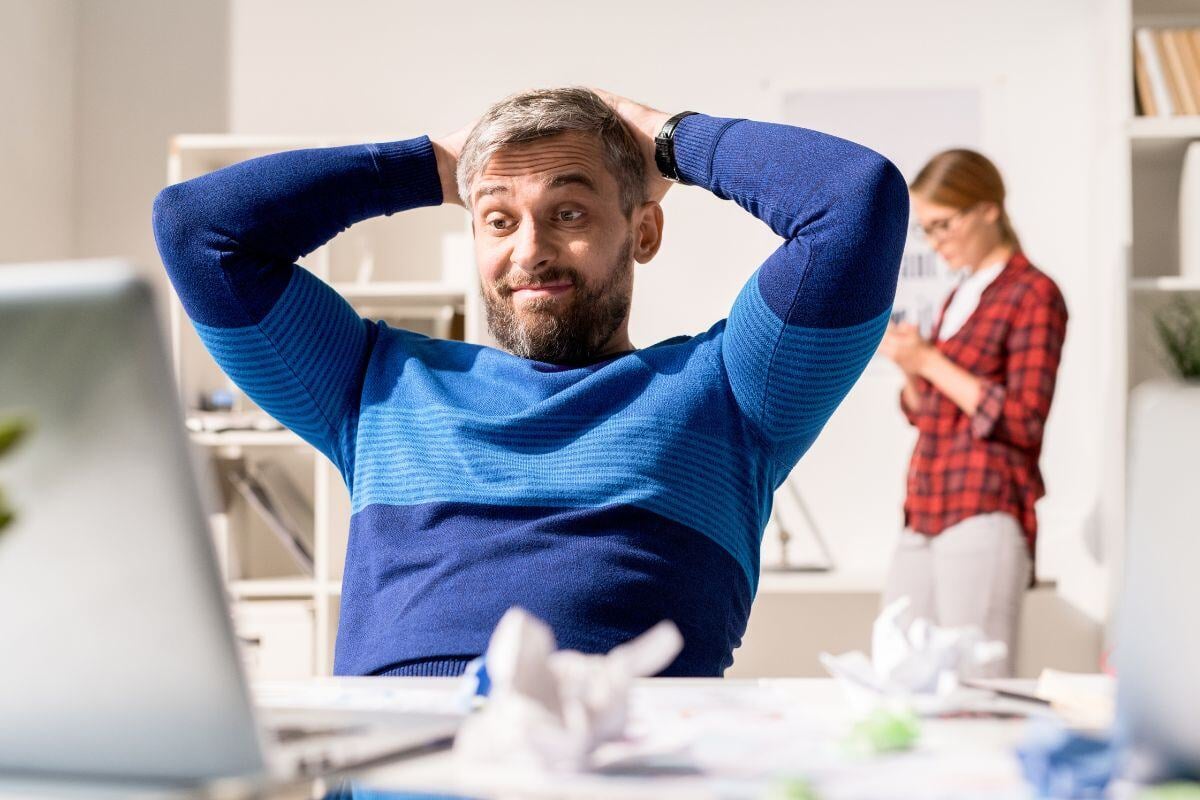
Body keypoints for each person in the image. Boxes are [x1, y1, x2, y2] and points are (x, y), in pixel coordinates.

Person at [153, 88, 908, 677]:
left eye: (569, 211)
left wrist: (670, 140)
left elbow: (855, 202)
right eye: (499, 219)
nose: (531, 252)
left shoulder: (729, 393)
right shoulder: (375, 383)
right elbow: (198, 230)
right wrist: (433, 165)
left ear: (643, 230)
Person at [879, 149, 1068, 677]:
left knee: (976, 684)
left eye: (944, 225)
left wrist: (931, 362)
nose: (937, 243)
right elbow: (930, 414)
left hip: (984, 505)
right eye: (929, 231)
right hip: (926, 505)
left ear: (988, 210)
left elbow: (1025, 420)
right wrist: (914, 372)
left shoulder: (1034, 294)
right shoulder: (956, 296)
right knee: (899, 670)